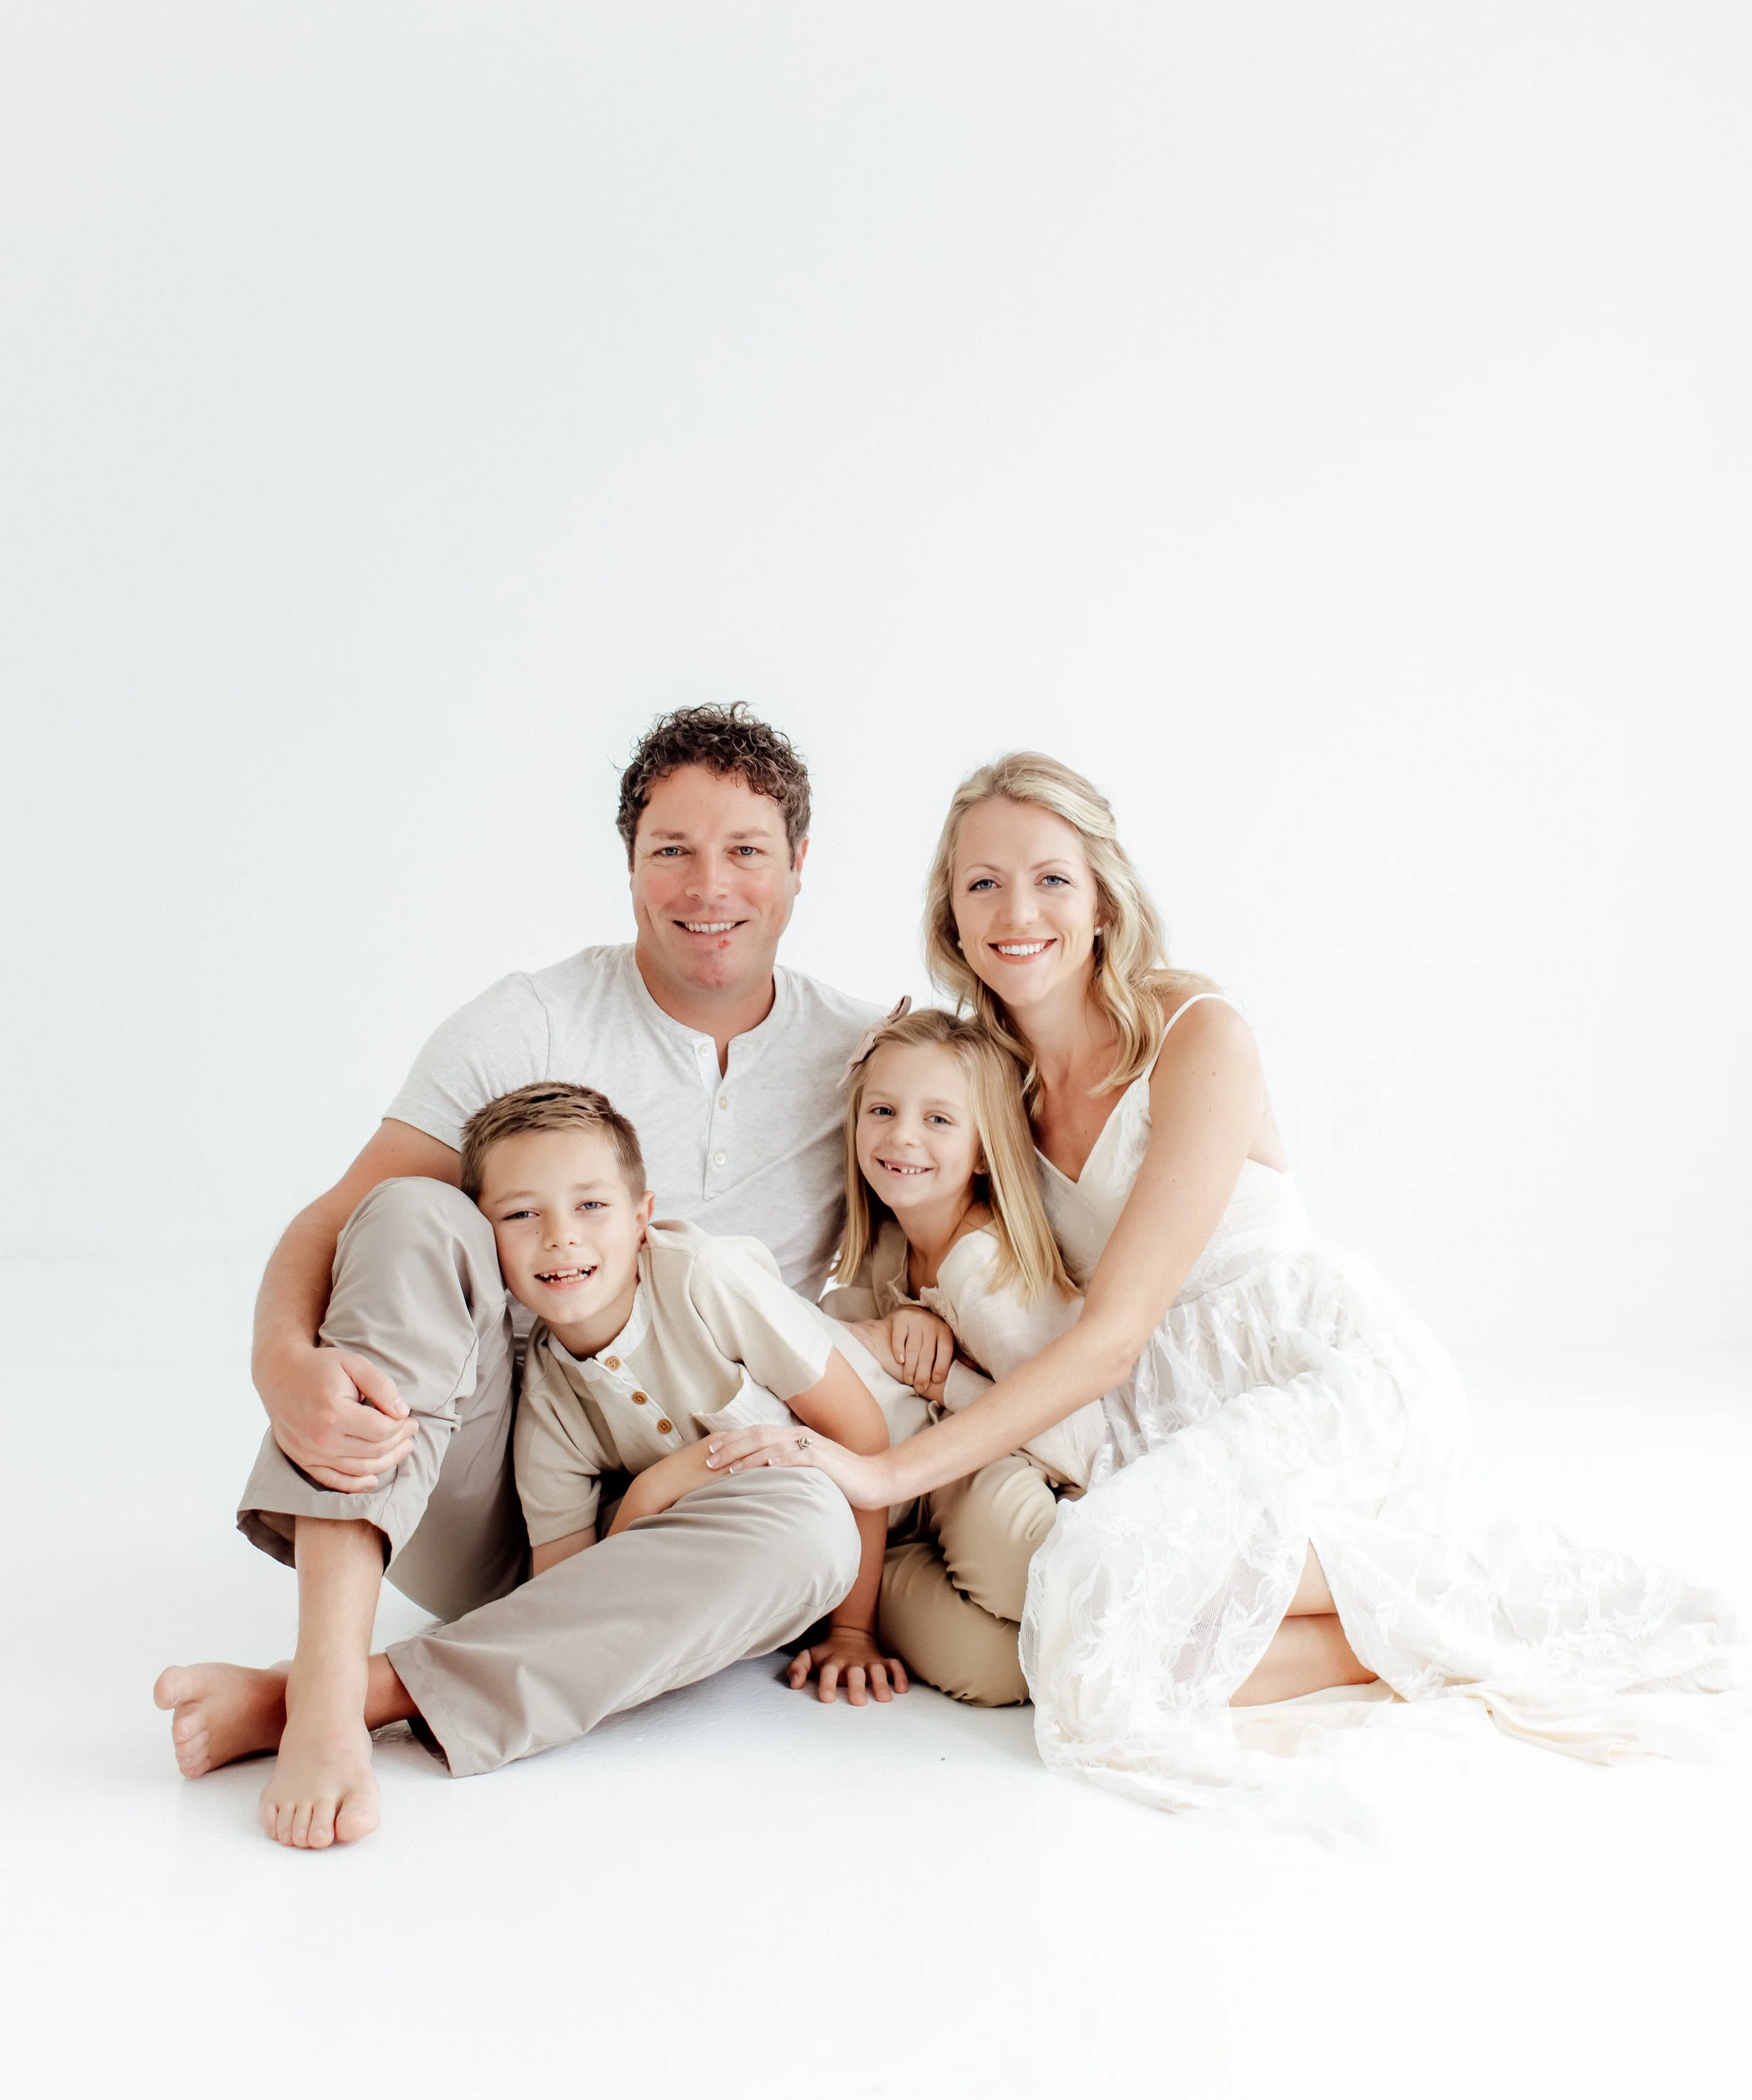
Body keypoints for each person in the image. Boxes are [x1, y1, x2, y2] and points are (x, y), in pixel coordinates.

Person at [706, 751, 1746, 1817]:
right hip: (1151, 1410)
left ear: (1103, 899)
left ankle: (1439, 1616)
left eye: (1052, 878)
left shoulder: (1197, 1033)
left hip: (1306, 1379)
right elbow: (956, 1240)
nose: (1018, 912)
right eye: (984, 884)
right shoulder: (989, 1079)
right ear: (952, 917)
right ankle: (1389, 1635)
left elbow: (1113, 1333)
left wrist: (885, 1473)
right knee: (1088, 1637)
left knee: (1106, 1626)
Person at [154, 704, 917, 1848]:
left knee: (814, 1527)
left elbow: (981, 1200)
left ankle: (350, 1695)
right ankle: (325, 1682)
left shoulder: (864, 1053)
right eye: (672, 849)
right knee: (414, 1211)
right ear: (629, 864)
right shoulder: (532, 1020)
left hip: (704, 1512)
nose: (709, 886)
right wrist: (280, 1363)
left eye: (747, 851)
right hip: (494, 1485)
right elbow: (340, 1218)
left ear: (800, 864)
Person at [822, 1007, 1102, 1705]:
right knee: (993, 1667)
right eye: (882, 1110)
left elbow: (1079, 1445)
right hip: (915, 1492)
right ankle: (841, 1585)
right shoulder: (890, 1242)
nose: (902, 1136)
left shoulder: (982, 1271)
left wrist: (944, 1381)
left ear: (983, 1150)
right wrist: (897, 1324)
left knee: (1022, 1580)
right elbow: (841, 1335)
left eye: (939, 1119)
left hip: (1005, 1472)